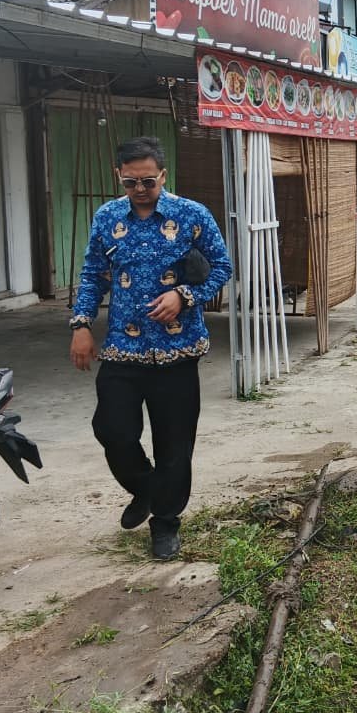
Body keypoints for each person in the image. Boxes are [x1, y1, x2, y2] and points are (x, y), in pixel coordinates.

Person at [70, 137, 232, 560]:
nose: (140, 190)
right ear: (118, 177)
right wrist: (82, 324)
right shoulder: (107, 218)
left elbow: (222, 267)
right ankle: (145, 488)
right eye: (130, 182)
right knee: (112, 429)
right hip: (123, 347)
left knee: (174, 443)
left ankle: (165, 524)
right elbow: (93, 274)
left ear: (163, 175)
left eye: (147, 181)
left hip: (178, 350)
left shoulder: (192, 215)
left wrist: (185, 296)